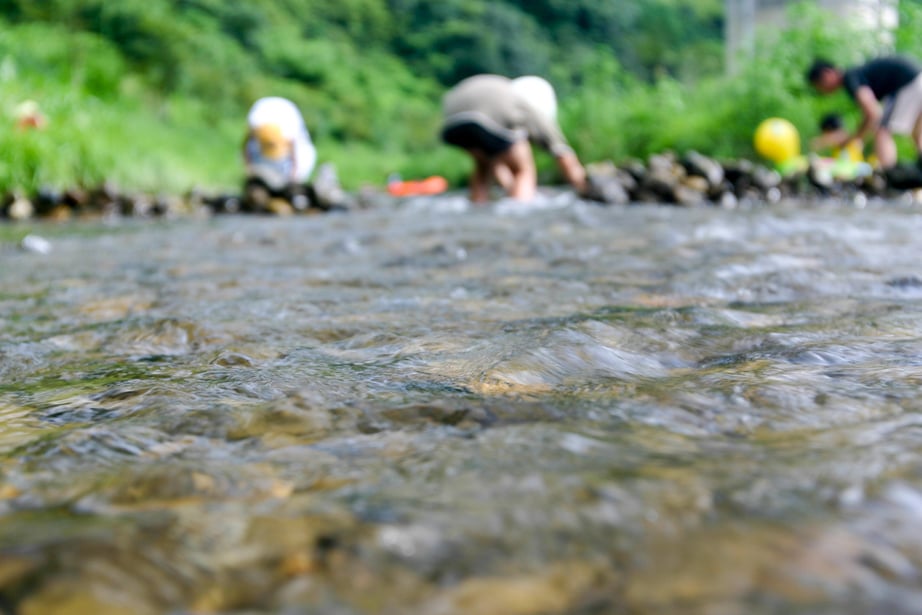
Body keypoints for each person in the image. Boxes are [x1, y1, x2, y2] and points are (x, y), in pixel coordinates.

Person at [440, 74, 587, 203]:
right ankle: (518, 212)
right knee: (523, 170)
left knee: (483, 165)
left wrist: (510, 188)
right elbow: (563, 155)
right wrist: (582, 186)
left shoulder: (506, 94)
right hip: (484, 114)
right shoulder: (531, 108)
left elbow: (498, 166)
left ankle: (478, 205)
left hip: (451, 116)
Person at [806, 56, 922, 170]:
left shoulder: (850, 78)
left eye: (820, 86)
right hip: (917, 79)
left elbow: (873, 112)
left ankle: (888, 175)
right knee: (917, 134)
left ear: (827, 73)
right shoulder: (857, 74)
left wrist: (855, 138)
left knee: (882, 131)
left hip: (908, 83)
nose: (823, 91)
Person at [242, 96, 317, 206]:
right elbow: (245, 145)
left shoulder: (290, 127)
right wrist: (248, 169)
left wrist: (294, 176)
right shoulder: (256, 121)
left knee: (295, 182)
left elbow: (295, 153)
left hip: (292, 135)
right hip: (263, 143)